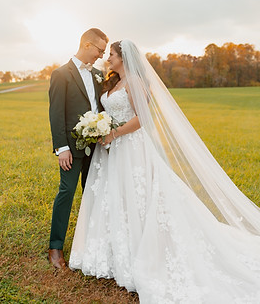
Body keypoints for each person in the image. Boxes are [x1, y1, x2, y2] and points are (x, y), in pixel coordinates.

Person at [69, 40, 260, 303]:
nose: (108, 58)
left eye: (111, 54)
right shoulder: (113, 81)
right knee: (116, 197)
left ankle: (145, 251)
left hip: (131, 147)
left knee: (141, 198)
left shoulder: (134, 81)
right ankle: (116, 252)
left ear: (124, 57)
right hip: (112, 149)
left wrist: (113, 133)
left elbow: (142, 118)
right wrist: (101, 127)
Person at [48, 28, 108, 269]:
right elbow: (56, 114)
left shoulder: (98, 74)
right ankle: (55, 247)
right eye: (99, 50)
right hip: (71, 148)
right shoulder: (60, 74)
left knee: (93, 192)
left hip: (97, 147)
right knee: (67, 192)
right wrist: (62, 148)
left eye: (105, 52)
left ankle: (91, 244)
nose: (101, 56)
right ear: (86, 45)